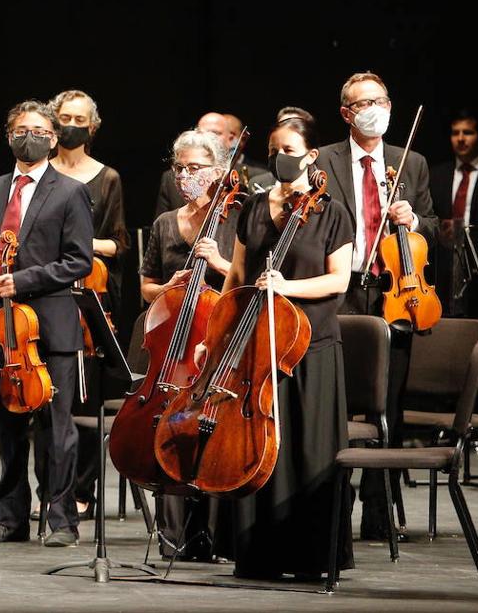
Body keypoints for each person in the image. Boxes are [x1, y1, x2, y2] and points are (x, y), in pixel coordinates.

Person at [223, 115, 353, 579]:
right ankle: (261, 553)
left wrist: (287, 287)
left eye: (291, 148)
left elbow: (340, 280)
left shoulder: (331, 212)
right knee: (260, 447)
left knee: (308, 450)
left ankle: (313, 555)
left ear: (311, 155)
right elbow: (237, 277)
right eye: (275, 147)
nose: (281, 156)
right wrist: (217, 335)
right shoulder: (253, 208)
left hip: (312, 345)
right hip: (258, 343)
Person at [314, 71, 438, 541]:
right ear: (347, 113)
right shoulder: (324, 159)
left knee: (390, 403)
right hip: (343, 290)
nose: (375, 109)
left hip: (396, 290)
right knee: (339, 403)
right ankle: (331, 506)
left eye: (382, 100)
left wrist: (415, 221)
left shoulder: (413, 163)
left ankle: (379, 510)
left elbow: (431, 227)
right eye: (364, 103)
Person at [0, 100, 93, 547]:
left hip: (50, 325)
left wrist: (19, 281)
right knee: (7, 427)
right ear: (8, 135)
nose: (30, 136)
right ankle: (11, 517)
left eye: (40, 130)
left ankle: (61, 519)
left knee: (57, 428)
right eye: (21, 129)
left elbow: (78, 261)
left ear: (54, 138)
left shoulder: (70, 191)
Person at [139, 129, 235, 559]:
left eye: (195, 168)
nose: (186, 176)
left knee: (215, 430)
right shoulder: (165, 223)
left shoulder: (235, 218)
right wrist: (167, 286)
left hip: (218, 341)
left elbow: (248, 280)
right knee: (169, 424)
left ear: (218, 171)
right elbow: (145, 287)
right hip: (175, 344)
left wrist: (219, 262)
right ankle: (172, 536)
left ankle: (215, 532)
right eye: (180, 168)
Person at [44, 88, 128, 518]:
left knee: (84, 399)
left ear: (92, 127)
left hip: (89, 295)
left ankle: (81, 491)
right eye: (64, 117)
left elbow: (119, 243)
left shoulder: (107, 177)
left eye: (79, 119)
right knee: (47, 400)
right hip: (45, 293)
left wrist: (75, 244)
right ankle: (51, 490)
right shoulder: (40, 171)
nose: (70, 125)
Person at [429, 109, 478, 317]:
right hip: (444, 263)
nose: (460, 138)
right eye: (455, 133)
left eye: (467, 132)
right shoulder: (436, 174)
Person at [155, 112, 273, 216]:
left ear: (231, 139)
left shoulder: (258, 176)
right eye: (201, 132)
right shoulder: (173, 178)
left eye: (215, 133)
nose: (207, 138)